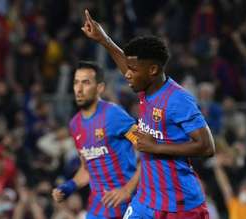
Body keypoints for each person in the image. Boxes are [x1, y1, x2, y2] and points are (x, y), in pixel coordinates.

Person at [82, 10, 215, 219]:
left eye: (133, 69)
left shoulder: (178, 100)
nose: (127, 73)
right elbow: (126, 64)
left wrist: (156, 147)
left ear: (152, 70)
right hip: (146, 201)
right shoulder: (146, 89)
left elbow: (207, 147)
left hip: (181, 205)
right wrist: (103, 39)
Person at [52, 61, 140, 219]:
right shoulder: (75, 125)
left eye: (86, 83)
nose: (79, 89)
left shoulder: (114, 115)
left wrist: (127, 189)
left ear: (100, 88)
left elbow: (151, 151)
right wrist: (69, 187)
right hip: (98, 211)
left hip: (129, 207)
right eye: (76, 83)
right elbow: (87, 168)